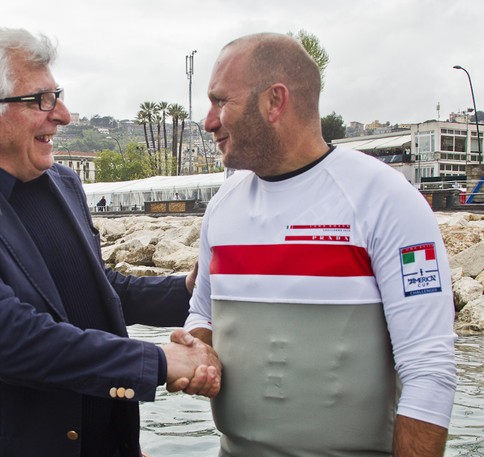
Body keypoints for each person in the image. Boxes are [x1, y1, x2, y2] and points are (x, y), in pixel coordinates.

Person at [0, 25, 220, 457]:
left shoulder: (62, 182)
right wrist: (156, 362)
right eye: (40, 100)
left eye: (57, 95)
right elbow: (7, 339)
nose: (62, 114)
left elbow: (99, 289)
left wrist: (190, 290)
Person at [184, 33, 456, 457]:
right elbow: (201, 313)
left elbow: (429, 369)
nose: (209, 121)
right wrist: (197, 350)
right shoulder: (222, 208)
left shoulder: (386, 198)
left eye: (221, 101)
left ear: (275, 101)